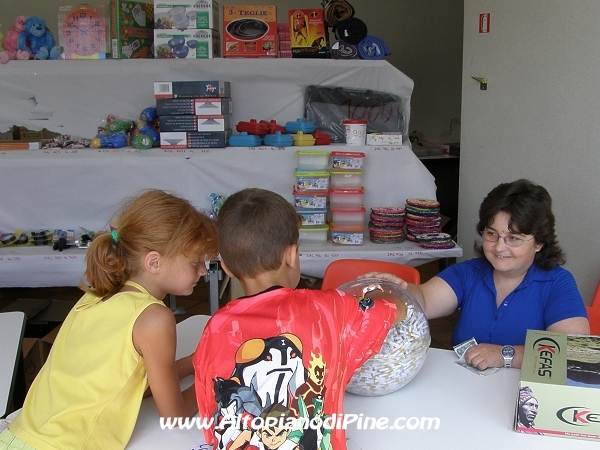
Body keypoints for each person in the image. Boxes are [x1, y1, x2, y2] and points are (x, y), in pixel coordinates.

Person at [1, 189, 218, 450]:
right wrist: (218, 381)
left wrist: (198, 362)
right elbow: (174, 418)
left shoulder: (96, 295)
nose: (203, 271)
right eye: (195, 262)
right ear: (154, 262)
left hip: (18, 436)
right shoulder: (154, 319)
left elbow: (135, 383)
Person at [193, 188, 406, 450]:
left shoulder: (216, 327)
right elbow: (395, 310)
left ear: (225, 267)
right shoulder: (330, 308)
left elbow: (210, 407)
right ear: (291, 256)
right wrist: (384, 291)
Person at [362, 179, 589, 370]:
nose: (499, 247)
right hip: (465, 389)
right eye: (492, 234)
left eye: (514, 238)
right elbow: (424, 300)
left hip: (521, 397)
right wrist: (401, 291)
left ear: (539, 242)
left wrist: (505, 355)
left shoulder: (557, 283)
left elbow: (572, 352)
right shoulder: (469, 273)